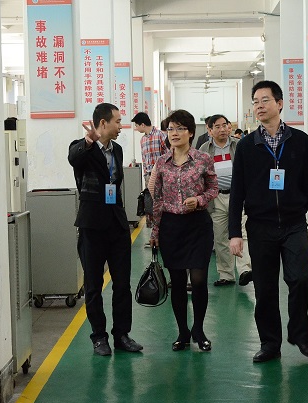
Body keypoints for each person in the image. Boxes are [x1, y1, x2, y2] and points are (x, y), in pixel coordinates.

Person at [228, 80, 308, 363]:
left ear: (280, 104)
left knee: (301, 278)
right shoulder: (246, 146)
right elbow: (237, 191)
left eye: (265, 100)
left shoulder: (300, 140)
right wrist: (234, 233)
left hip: (294, 223)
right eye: (255, 102)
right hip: (260, 226)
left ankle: (300, 335)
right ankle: (270, 343)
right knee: (265, 288)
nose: (259, 106)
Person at [68, 103, 143, 356]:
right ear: (103, 123)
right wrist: (88, 141)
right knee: (93, 285)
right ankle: (99, 336)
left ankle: (121, 334)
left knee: (122, 284)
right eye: (118, 121)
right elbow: (74, 158)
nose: (121, 126)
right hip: (92, 226)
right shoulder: (82, 148)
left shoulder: (117, 150)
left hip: (117, 225)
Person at [149, 109, 218, 352]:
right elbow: (157, 199)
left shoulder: (203, 159)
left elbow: (213, 189)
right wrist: (155, 231)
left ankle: (199, 329)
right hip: (171, 227)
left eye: (180, 128)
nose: (174, 133)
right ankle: (182, 332)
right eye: (170, 129)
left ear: (190, 132)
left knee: (198, 280)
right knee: (177, 282)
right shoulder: (162, 162)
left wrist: (199, 200)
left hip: (198, 225)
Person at [199, 114, 253, 287]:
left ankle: (245, 270)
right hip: (216, 198)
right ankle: (226, 274)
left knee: (242, 233)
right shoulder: (204, 149)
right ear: (209, 130)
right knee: (220, 237)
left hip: (239, 196)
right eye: (217, 126)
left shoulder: (239, 145)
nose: (222, 129)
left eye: (225, 125)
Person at [132, 112, 169, 245]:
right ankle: (154, 236)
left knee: (162, 206)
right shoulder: (143, 140)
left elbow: (168, 154)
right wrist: (145, 177)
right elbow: (144, 159)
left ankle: (165, 236)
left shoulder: (161, 135)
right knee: (151, 208)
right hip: (149, 177)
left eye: (136, 125)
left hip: (162, 176)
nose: (136, 128)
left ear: (142, 124)